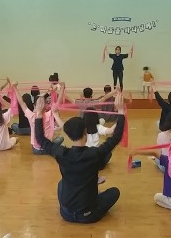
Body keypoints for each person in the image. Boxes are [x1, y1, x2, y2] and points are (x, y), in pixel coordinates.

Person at [34, 93, 126, 223]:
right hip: (88, 215)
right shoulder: (94, 154)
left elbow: (40, 139)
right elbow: (116, 137)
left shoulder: (61, 153)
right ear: (85, 133)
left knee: (61, 183)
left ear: (70, 136)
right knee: (114, 192)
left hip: (66, 214)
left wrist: (39, 114)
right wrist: (121, 111)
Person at [13, 86, 62, 156]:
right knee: (60, 138)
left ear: (34, 106)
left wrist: (15, 88)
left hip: (36, 150)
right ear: (45, 106)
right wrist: (61, 88)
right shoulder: (49, 114)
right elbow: (58, 103)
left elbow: (22, 103)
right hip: (48, 148)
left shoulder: (31, 116)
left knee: (14, 125)